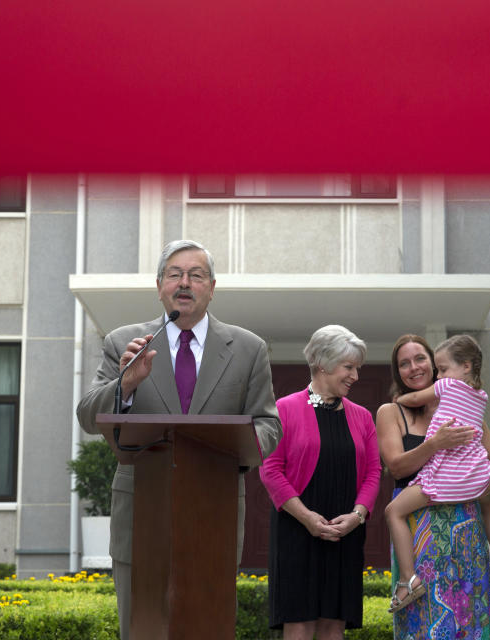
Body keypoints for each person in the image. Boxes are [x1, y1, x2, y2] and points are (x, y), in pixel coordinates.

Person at [76, 239, 282, 640]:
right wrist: (127, 383)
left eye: (196, 275)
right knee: (143, 629)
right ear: (159, 286)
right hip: (141, 512)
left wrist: (234, 446)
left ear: (212, 286)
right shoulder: (124, 343)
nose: (184, 283)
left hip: (215, 511)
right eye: (175, 274)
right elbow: (88, 415)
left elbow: (268, 425)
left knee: (206, 628)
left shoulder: (248, 348)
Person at [375, 334, 490, 640]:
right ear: (398, 372)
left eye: (420, 359)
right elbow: (396, 466)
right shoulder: (391, 411)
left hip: (464, 527)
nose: (414, 368)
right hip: (418, 530)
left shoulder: (463, 406)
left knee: (468, 616)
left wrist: (473, 488)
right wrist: (435, 444)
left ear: (435, 366)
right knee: (423, 622)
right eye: (404, 363)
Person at [259, 325, 381, 640]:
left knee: (334, 623)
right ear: (323, 364)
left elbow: (373, 472)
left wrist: (357, 516)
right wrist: (307, 518)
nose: (355, 375)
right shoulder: (284, 409)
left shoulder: (363, 417)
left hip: (345, 532)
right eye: (348, 367)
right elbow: (270, 470)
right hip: (296, 530)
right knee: (298, 623)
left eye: (357, 368)